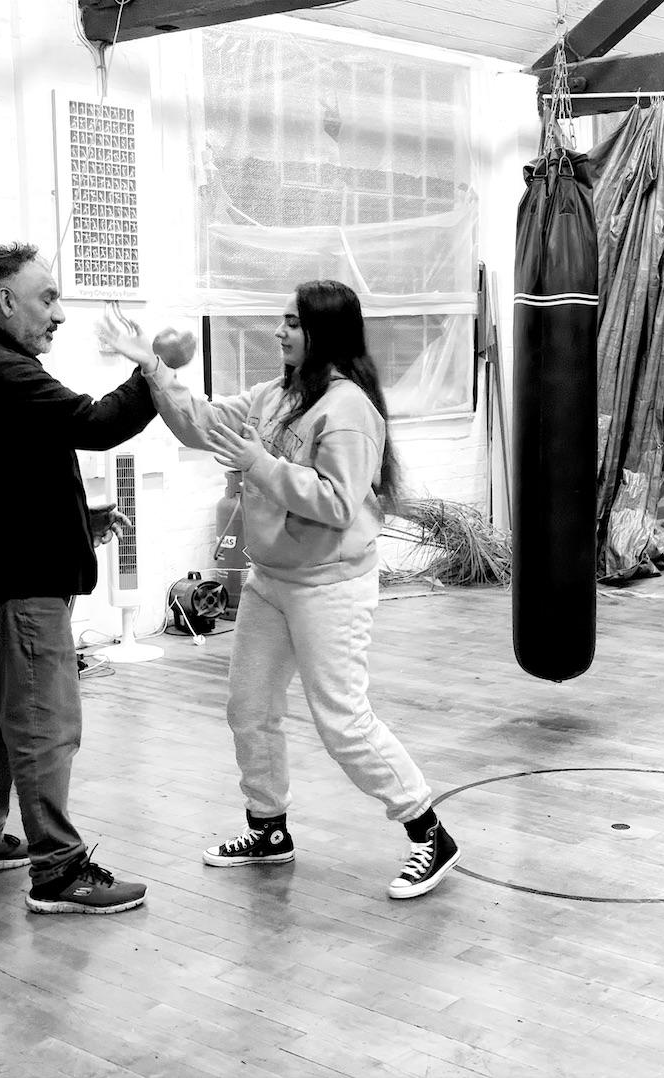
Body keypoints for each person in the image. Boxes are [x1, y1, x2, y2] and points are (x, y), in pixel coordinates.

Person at [99, 279, 460, 900]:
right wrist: (152, 368)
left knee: (343, 721)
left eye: (292, 322)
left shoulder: (348, 410)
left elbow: (338, 502)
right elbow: (202, 425)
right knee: (249, 708)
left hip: (330, 586)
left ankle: (429, 832)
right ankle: (268, 829)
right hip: (270, 581)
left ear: (324, 332)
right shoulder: (276, 396)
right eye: (282, 320)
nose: (278, 330)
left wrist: (259, 464)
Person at [0, 242, 156, 915]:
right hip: (12, 583)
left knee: (3, 715)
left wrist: (80, 519)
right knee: (44, 723)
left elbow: (18, 465)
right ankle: (58, 870)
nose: (59, 314)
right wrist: (150, 371)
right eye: (47, 298)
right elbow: (94, 423)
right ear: (5, 300)